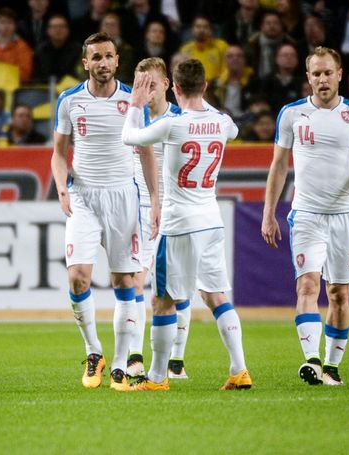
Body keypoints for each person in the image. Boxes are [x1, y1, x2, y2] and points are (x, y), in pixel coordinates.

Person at [121, 58, 252, 392]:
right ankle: (239, 369)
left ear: (174, 88)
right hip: (212, 220)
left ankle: (157, 378)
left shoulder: (172, 125)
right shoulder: (222, 122)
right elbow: (233, 129)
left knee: (162, 301)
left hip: (178, 224)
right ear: (205, 87)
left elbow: (130, 138)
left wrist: (135, 105)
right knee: (215, 296)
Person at [261, 46, 349, 386]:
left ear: (339, 74)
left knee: (339, 294)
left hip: (344, 214)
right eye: (316, 73)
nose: (322, 79)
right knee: (307, 285)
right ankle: (312, 361)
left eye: (328, 72)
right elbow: (279, 165)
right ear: (308, 78)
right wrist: (268, 212)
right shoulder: (291, 114)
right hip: (306, 214)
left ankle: (332, 366)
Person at [51, 32, 159, 391]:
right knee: (78, 277)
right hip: (83, 195)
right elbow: (57, 152)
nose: (103, 63)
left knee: (124, 281)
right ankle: (93, 350)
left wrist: (155, 199)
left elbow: (145, 152)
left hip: (123, 198)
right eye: (95, 57)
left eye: (108, 56)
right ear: (86, 63)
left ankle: (119, 365)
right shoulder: (68, 101)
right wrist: (61, 184)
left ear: (117, 60)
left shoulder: (132, 99)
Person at [126, 57, 192, 381]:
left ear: (167, 84)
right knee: (135, 281)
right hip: (140, 211)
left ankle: (176, 361)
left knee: (175, 290)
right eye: (140, 84)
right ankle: (136, 357)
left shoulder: (182, 119)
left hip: (177, 210)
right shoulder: (131, 116)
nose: (145, 90)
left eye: (151, 83)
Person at [0, 7, 34, 83]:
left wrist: (2, 69)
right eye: (2, 22)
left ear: (15, 26)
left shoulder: (23, 47)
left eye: (10, 22)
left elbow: (25, 74)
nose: (6, 26)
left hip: (13, 87)